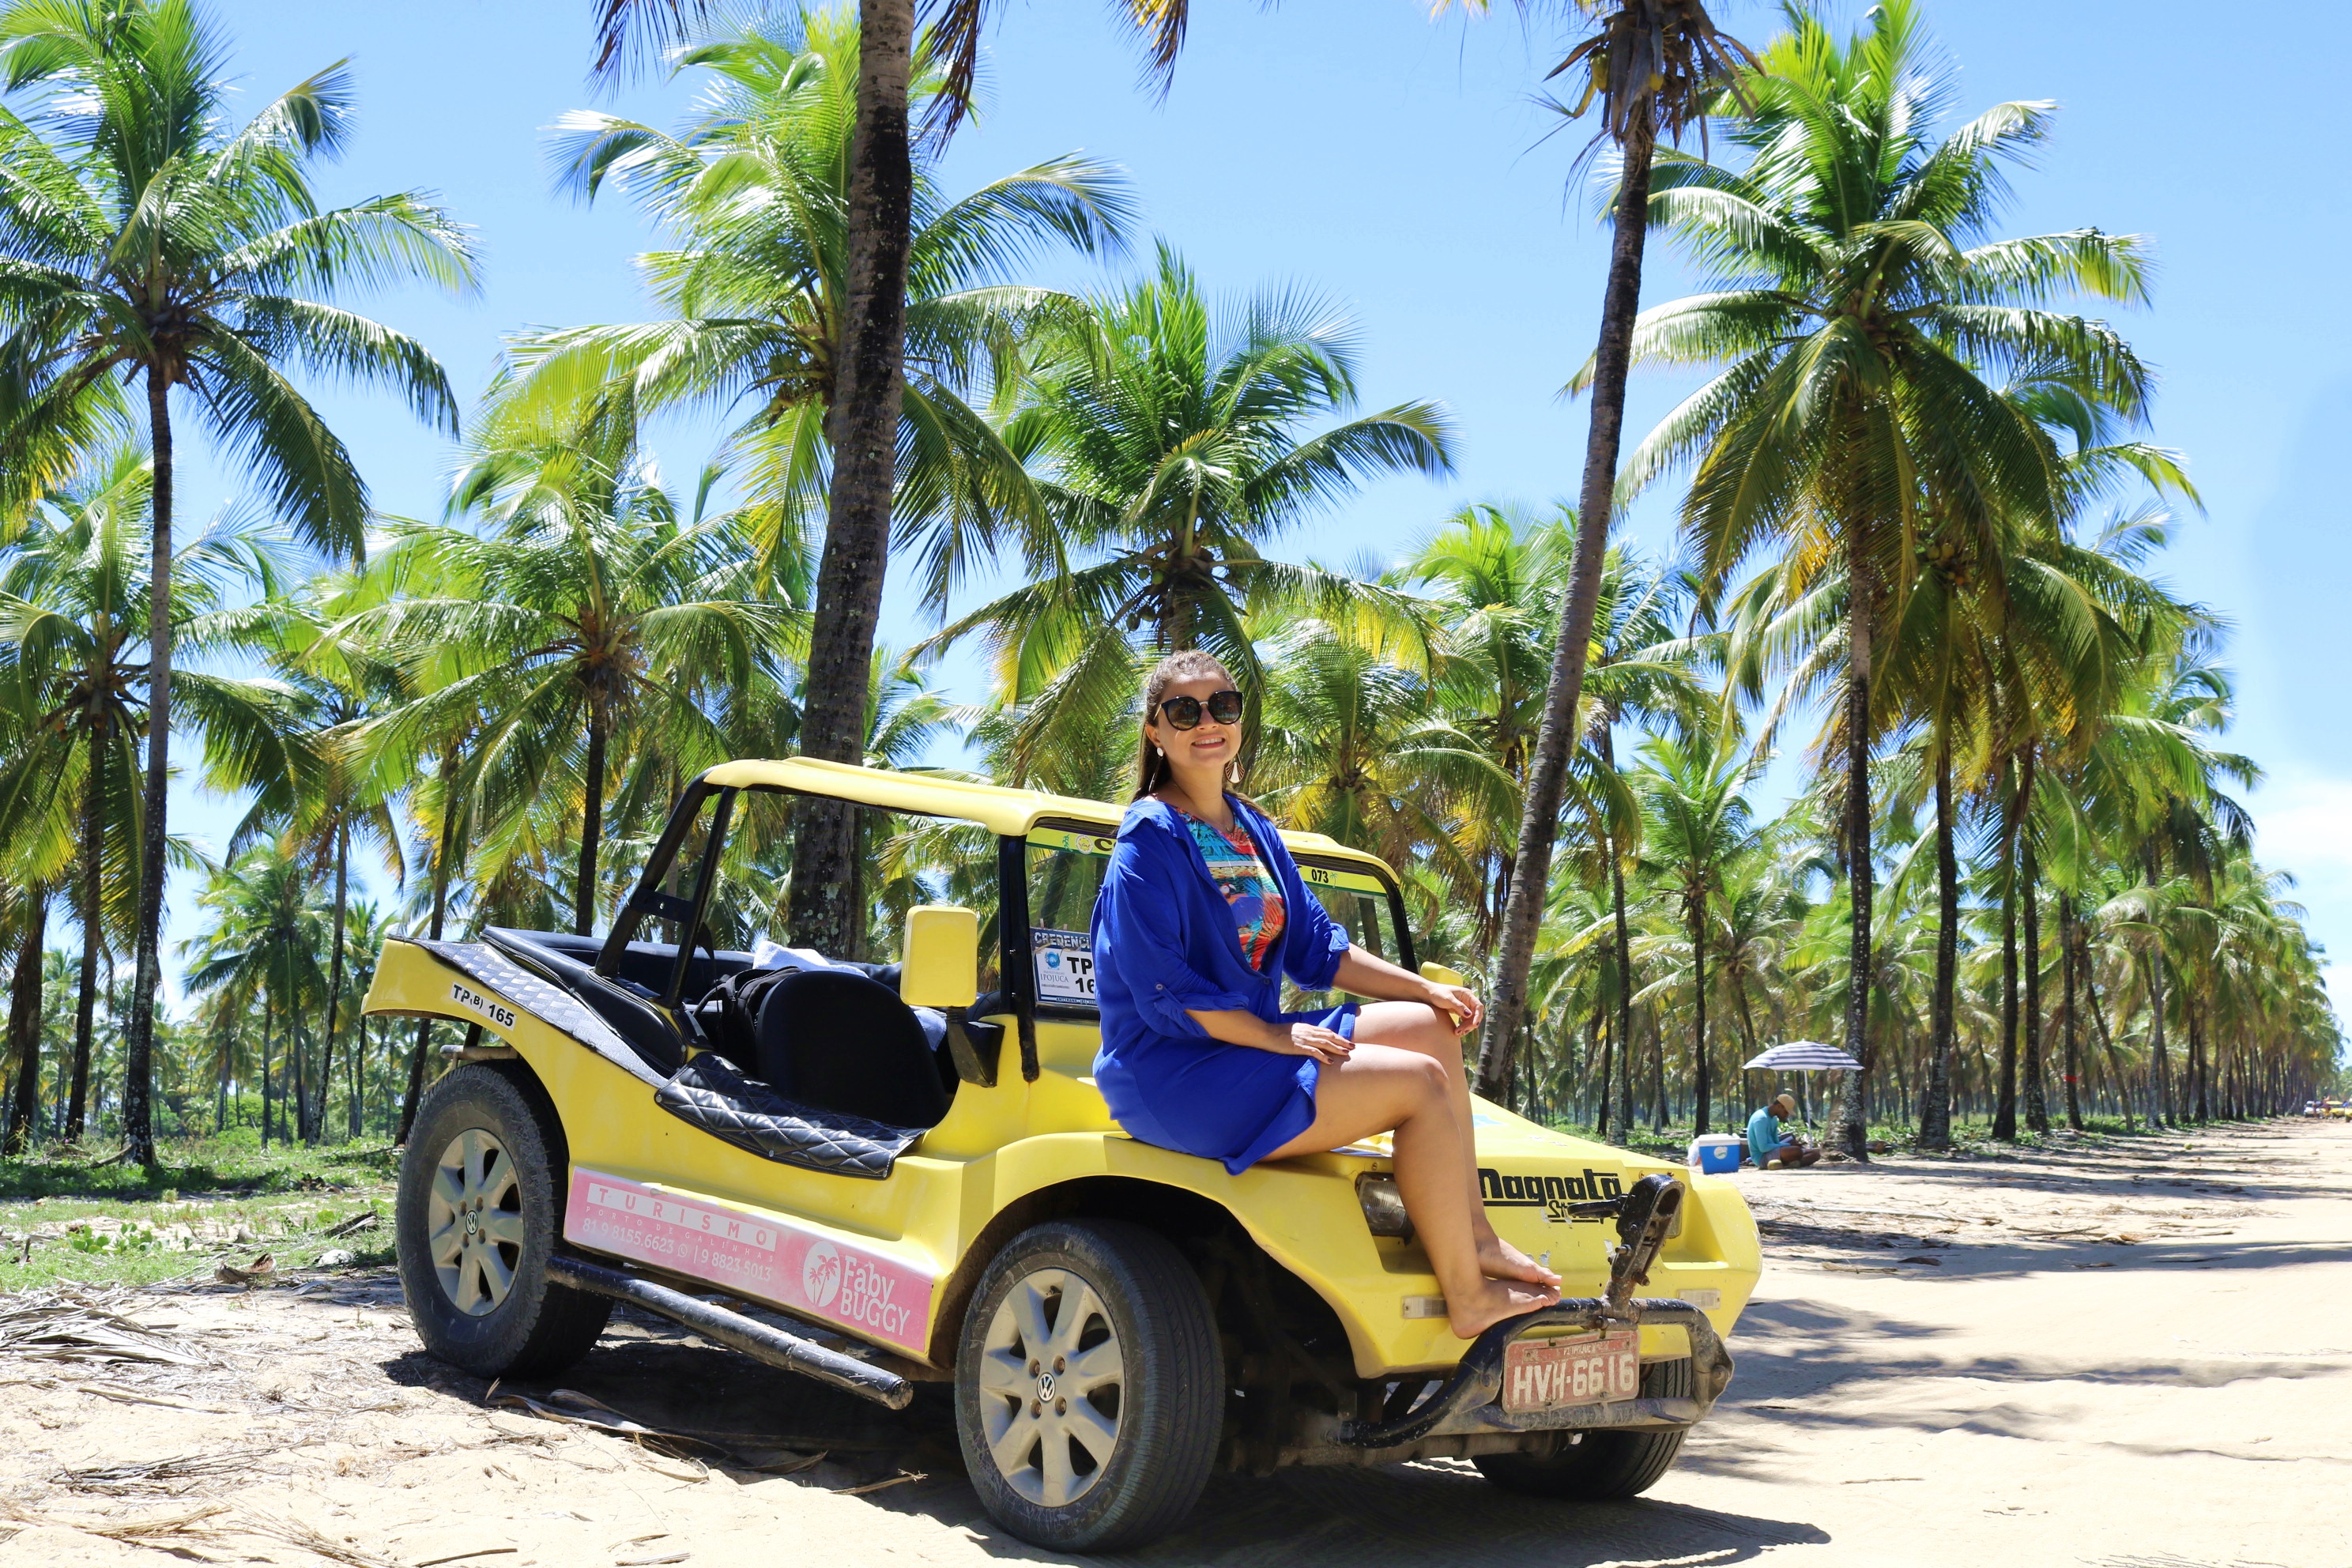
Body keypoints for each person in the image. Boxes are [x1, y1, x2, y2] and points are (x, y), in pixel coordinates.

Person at [1091, 650, 1562, 1340]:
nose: (1206, 724)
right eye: (1183, 711)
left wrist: (1429, 990)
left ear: (1239, 721)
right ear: (1156, 732)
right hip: (1171, 1072)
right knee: (1421, 1083)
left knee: (1429, 1030)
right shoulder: (1148, 838)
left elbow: (1320, 948)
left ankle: (1478, 1235)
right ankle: (1468, 1294)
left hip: (1244, 1047)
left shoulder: (1251, 830)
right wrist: (1279, 1037)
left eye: (1221, 705)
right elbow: (1165, 989)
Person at [1747, 1092, 1820, 1169]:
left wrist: (1790, 1144)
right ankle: (1788, 1163)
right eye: (1786, 1112)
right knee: (1796, 1151)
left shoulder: (1774, 1119)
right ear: (1779, 1106)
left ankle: (1788, 1164)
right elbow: (1763, 1148)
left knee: (1815, 1154)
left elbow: (1776, 1143)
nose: (1787, 1116)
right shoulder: (1761, 1119)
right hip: (1762, 1157)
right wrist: (1788, 1146)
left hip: (1774, 1152)